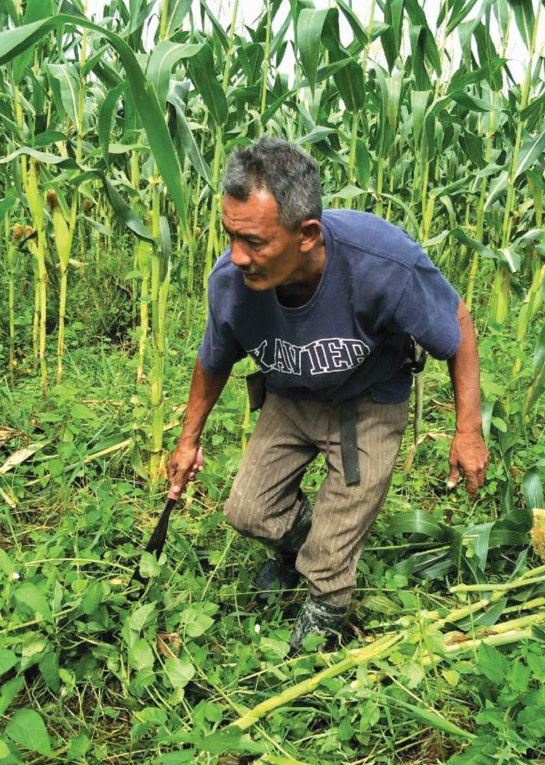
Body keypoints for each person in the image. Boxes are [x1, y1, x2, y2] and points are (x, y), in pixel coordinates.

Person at [167, 137, 487, 654]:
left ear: (308, 235)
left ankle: (325, 611)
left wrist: (467, 430)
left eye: (254, 242)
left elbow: (457, 325)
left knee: (330, 555)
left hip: (367, 400)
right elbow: (214, 358)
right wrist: (187, 441)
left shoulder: (381, 263)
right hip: (292, 395)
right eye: (230, 236)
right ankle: (315, 545)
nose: (237, 257)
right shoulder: (231, 282)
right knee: (247, 512)